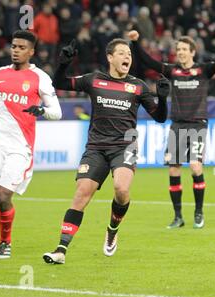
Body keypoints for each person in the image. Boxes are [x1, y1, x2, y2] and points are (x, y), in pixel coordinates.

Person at [43, 38, 170, 264]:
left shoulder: (138, 86)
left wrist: (162, 98)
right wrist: (63, 63)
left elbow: (160, 117)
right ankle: (61, 249)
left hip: (126, 146)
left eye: (129, 54)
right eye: (121, 53)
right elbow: (59, 83)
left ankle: (112, 230)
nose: (127, 57)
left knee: (121, 190)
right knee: (81, 193)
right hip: (96, 147)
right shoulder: (94, 80)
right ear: (110, 57)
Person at [0, 30, 62, 259]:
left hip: (20, 146)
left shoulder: (41, 78)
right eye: (13, 46)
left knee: (3, 196)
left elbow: (57, 112)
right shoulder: (0, 73)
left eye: (21, 47)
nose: (15, 51)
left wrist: (42, 110)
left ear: (31, 52)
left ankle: (5, 242)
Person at [128, 30, 215, 229]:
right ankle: (178, 217)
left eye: (184, 49)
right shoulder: (172, 70)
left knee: (195, 166)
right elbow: (148, 61)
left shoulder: (203, 70)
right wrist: (136, 43)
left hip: (197, 123)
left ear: (193, 52)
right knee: (174, 169)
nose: (180, 52)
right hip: (177, 124)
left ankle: (199, 212)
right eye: (178, 49)